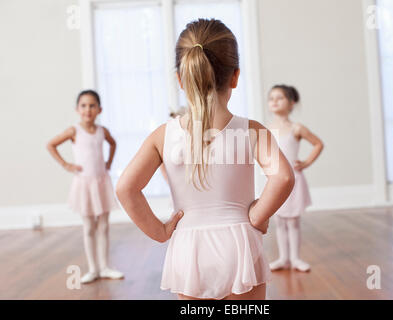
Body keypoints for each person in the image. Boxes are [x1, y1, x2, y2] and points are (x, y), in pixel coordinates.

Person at [115, 18, 295, 300]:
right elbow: (283, 176)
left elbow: (126, 188)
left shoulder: (163, 135)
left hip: (189, 250)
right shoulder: (251, 130)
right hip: (240, 246)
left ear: (180, 79)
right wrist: (259, 213)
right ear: (235, 77)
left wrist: (161, 232)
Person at [47, 90, 124, 284]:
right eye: (83, 106)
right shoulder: (74, 131)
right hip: (84, 184)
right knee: (89, 226)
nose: (87, 110)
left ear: (99, 109)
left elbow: (113, 143)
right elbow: (51, 145)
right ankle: (93, 268)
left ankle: (105, 266)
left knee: (104, 225)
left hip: (101, 181)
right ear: (77, 109)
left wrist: (109, 162)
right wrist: (67, 165)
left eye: (92, 106)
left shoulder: (102, 131)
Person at [267, 85, 323, 272]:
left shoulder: (296, 128)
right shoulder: (266, 129)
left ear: (291, 103)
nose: (274, 101)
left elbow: (318, 144)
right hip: (275, 181)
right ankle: (283, 258)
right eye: (271, 98)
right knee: (279, 220)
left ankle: (295, 258)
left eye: (279, 98)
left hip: (293, 180)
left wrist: (305, 163)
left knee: (292, 220)